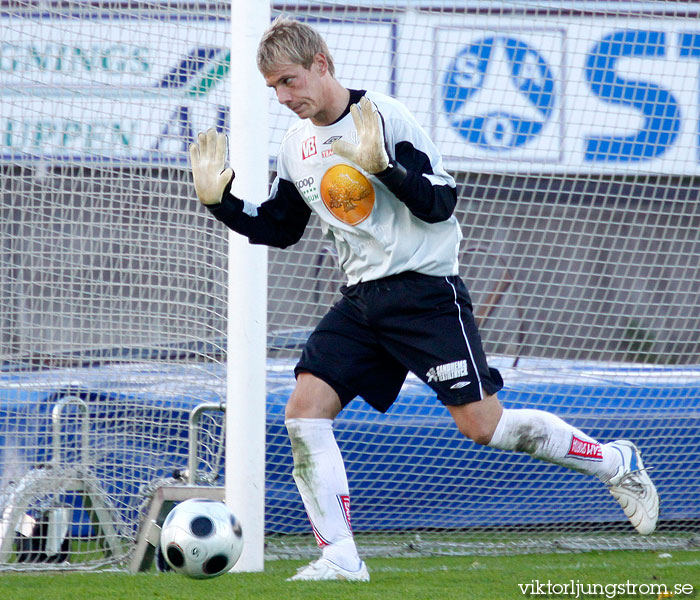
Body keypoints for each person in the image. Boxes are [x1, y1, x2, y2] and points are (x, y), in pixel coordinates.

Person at [189, 16, 659, 582]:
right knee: (304, 412)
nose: (284, 97)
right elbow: (283, 229)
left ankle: (614, 462)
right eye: (274, 89)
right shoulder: (295, 145)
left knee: (484, 426)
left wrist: (386, 168)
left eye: (289, 81)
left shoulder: (383, 117)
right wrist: (221, 203)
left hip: (426, 294)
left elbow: (441, 204)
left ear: (321, 64)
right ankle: (340, 558)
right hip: (361, 303)